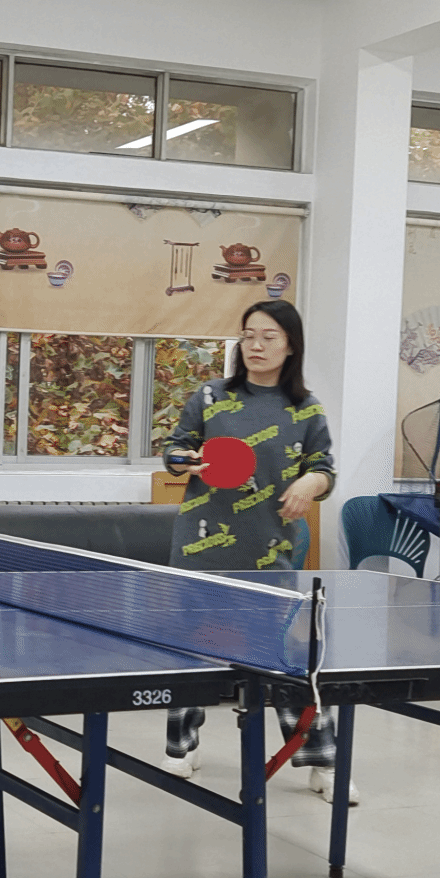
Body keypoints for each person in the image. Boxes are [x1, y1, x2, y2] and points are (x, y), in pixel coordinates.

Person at [161, 299, 345, 797]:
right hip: (200, 549)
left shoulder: (306, 409)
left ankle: (322, 763)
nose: (256, 345)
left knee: (288, 660)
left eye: (268, 337)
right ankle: (181, 748)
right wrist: (185, 460)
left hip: (269, 551)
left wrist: (309, 483)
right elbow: (174, 449)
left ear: (290, 346)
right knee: (191, 654)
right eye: (248, 336)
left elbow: (324, 469)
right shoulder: (210, 395)